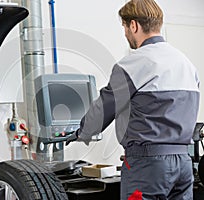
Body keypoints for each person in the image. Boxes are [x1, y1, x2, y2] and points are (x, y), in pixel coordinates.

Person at [66, 0, 200, 199]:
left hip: (148, 165)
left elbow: (105, 107)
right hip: (183, 163)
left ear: (134, 25)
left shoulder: (134, 63)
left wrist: (82, 132)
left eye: (125, 27)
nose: (126, 33)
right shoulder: (185, 63)